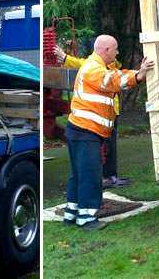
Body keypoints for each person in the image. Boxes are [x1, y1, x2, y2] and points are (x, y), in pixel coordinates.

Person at [63, 34, 153, 230]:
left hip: (81, 130)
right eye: (115, 49)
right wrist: (138, 76)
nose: (117, 52)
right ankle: (87, 218)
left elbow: (116, 73)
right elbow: (111, 80)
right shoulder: (94, 69)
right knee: (91, 174)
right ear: (106, 50)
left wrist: (138, 71)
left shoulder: (95, 65)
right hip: (86, 130)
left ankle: (71, 213)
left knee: (79, 173)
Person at [54, 43, 130, 188]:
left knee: (110, 145)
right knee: (101, 146)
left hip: (111, 113)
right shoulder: (94, 66)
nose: (117, 53)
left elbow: (120, 76)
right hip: (100, 116)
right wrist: (65, 58)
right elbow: (80, 63)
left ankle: (110, 175)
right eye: (115, 51)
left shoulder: (110, 66)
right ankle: (104, 177)